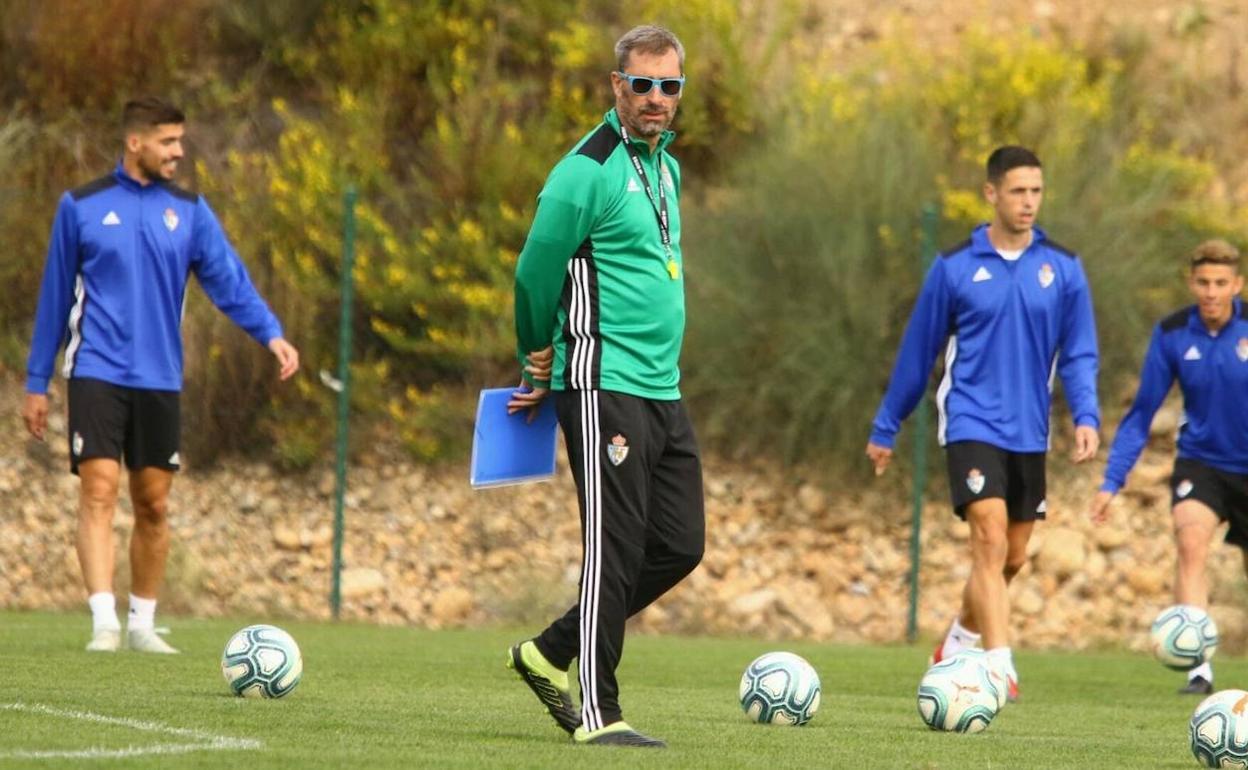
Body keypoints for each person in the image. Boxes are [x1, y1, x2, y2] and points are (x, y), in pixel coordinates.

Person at [21, 97, 299, 654]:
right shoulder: (80, 206)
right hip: (94, 369)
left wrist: (270, 332)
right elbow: (55, 298)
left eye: (180, 140)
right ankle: (104, 622)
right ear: (135, 143)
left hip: (160, 379)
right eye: (168, 141)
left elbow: (229, 281)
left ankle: (142, 623)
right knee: (98, 491)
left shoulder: (190, 212)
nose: (178, 151)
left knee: (153, 503)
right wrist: (36, 381)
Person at [503, 24, 703, 748]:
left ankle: (548, 651)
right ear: (616, 85)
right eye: (642, 84)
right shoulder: (585, 169)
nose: (656, 98)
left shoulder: (665, 168)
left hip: (662, 390)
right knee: (614, 549)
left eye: (669, 85)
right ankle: (598, 714)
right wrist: (537, 357)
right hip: (600, 386)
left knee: (681, 544)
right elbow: (534, 272)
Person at [866, 146, 1101, 702]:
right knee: (989, 538)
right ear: (991, 193)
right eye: (1018, 191)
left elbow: (1080, 353)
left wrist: (1086, 413)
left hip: (1030, 429)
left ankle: (957, 641)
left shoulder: (1063, 269)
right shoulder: (953, 267)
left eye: (1036, 192)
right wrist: (886, 425)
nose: (1028, 202)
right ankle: (998, 667)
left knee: (1012, 557)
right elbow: (918, 351)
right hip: (970, 418)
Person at [1090, 239, 1248, 695]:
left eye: (1221, 283)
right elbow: (1142, 413)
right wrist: (1111, 481)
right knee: (1190, 541)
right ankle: (1199, 667)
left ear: (1236, 285)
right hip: (1201, 463)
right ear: (1190, 283)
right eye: (1203, 282)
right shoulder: (1174, 333)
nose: (1212, 292)